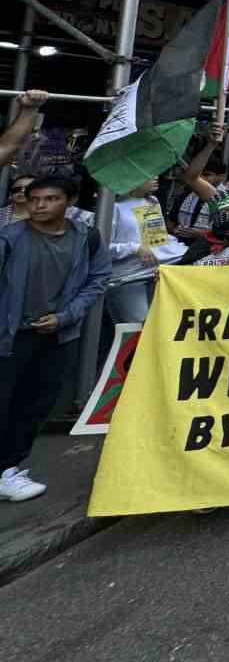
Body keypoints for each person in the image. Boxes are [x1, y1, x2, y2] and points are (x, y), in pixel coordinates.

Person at [0, 175, 111, 502]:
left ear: (70, 202)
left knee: (36, 405)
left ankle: (8, 468)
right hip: (10, 337)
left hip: (56, 337)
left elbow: (98, 280)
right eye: (34, 199)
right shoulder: (10, 238)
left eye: (50, 199)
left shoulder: (86, 238)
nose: (39, 206)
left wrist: (66, 317)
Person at [106, 177, 187, 322]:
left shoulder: (153, 201)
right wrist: (135, 248)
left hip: (156, 274)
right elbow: (103, 247)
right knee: (137, 330)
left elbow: (157, 238)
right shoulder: (113, 207)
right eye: (148, 175)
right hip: (127, 279)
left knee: (157, 326)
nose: (155, 177)